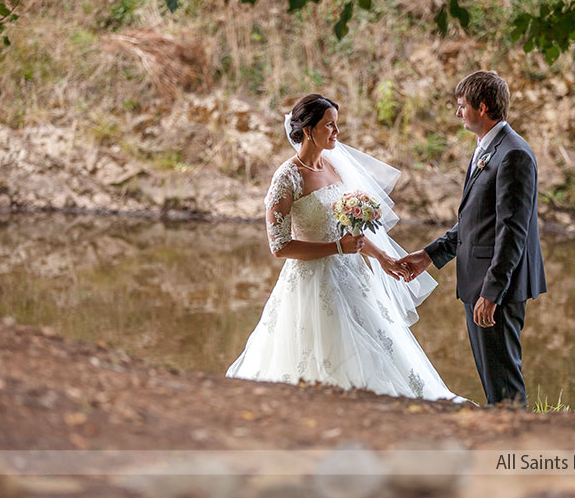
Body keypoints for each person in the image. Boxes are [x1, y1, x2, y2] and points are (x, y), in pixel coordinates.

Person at [227, 94, 462, 402]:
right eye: (330, 125)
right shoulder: (287, 178)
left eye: (336, 125)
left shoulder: (334, 166)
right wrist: (338, 247)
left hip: (352, 277)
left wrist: (383, 259)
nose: (336, 132)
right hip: (311, 282)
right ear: (309, 130)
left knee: (377, 348)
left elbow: (352, 233)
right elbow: (280, 247)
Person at [399, 71, 546, 406]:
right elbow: (474, 223)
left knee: (505, 383)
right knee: (493, 380)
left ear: (482, 107)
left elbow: (512, 232)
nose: (457, 113)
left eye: (461, 105)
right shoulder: (488, 149)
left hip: (496, 290)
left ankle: (514, 446)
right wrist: (428, 256)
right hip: (479, 283)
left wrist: (492, 292)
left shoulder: (513, 154)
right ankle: (504, 439)